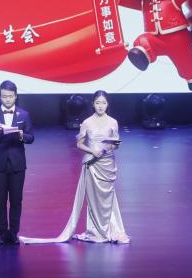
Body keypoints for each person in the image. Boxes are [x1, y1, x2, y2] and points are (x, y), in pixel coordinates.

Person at [20, 90, 129, 244]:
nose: (100, 106)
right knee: (93, 199)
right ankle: (97, 230)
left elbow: (116, 143)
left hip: (107, 164)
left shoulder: (113, 122)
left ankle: (111, 228)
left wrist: (108, 148)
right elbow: (79, 144)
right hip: (92, 164)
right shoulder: (87, 122)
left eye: (103, 103)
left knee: (108, 197)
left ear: (108, 104)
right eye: (98, 103)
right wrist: (92, 151)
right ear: (93, 104)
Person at [0, 80, 34, 245]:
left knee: (17, 200)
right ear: (0, 97)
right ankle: (3, 233)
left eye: (10, 96)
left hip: (18, 164)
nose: (7, 99)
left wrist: (22, 136)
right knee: (0, 200)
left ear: (16, 96)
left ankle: (14, 233)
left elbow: (31, 137)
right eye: (4, 96)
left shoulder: (24, 114)